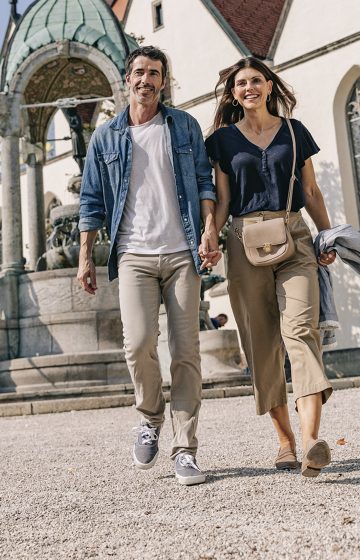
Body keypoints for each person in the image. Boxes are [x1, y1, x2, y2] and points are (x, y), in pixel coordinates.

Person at [78, 46, 220, 485]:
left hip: (182, 253)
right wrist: (86, 256)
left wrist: (210, 228)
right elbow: (91, 201)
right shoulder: (105, 137)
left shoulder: (184, 126)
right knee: (138, 344)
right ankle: (150, 416)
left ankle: (186, 449)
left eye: (154, 73)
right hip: (133, 255)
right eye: (139, 72)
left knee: (186, 352)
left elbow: (203, 182)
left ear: (164, 81)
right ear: (127, 80)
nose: (146, 80)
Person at [205, 57, 336, 478]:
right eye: (241, 83)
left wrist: (328, 234)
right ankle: (285, 442)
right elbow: (223, 200)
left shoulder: (295, 132)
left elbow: (311, 190)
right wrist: (210, 238)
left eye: (256, 81)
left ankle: (312, 439)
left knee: (301, 331)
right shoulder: (222, 140)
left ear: (269, 85)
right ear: (233, 93)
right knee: (262, 345)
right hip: (244, 243)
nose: (249, 88)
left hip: (295, 236)